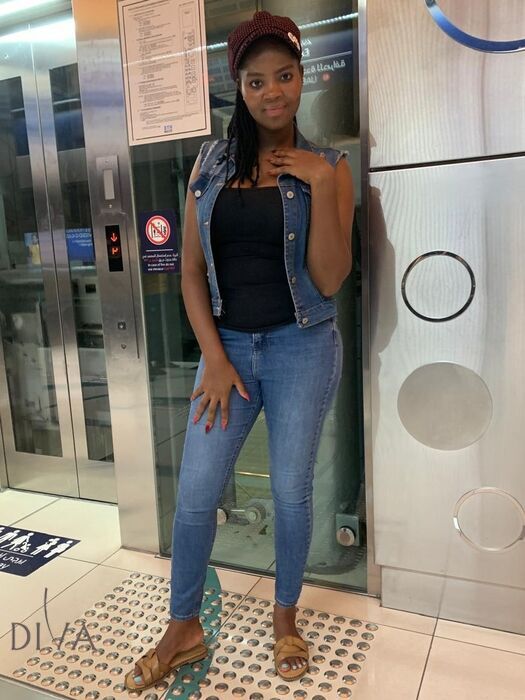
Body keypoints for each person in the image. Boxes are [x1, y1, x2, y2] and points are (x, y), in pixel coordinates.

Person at [125, 10, 354, 691]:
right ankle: (183, 629)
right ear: (240, 89)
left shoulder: (330, 167)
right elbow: (190, 273)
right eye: (256, 81)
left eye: (284, 76)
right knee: (196, 494)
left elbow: (330, 279)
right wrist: (216, 358)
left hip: (300, 347)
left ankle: (285, 619)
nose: (272, 92)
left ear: (302, 78)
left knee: (289, 490)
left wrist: (318, 183)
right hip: (225, 349)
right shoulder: (209, 163)